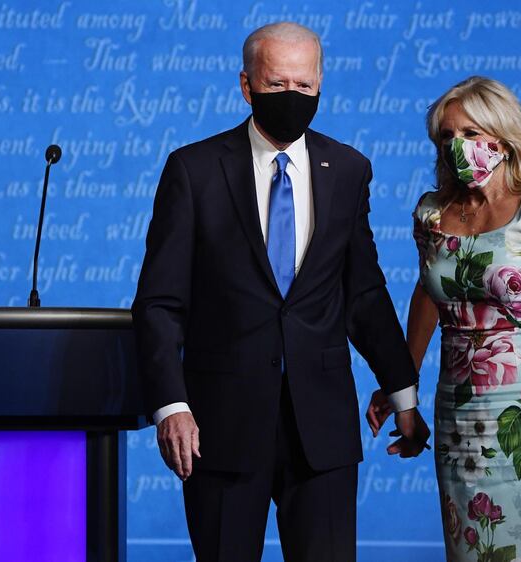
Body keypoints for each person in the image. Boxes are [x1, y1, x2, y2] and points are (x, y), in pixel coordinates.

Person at [132, 22, 430, 562]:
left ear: (320, 85)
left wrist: (403, 394)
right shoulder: (193, 171)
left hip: (323, 431)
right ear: (246, 86)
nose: (292, 98)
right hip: (219, 429)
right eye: (277, 86)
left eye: (304, 86)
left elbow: (363, 295)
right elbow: (159, 303)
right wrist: (170, 405)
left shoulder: (347, 170)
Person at [366, 76, 521, 561]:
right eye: (447, 137)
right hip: (460, 420)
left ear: (502, 136)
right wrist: (401, 383)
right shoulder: (431, 214)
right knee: (472, 547)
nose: (459, 146)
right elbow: (428, 297)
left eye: (471, 134)